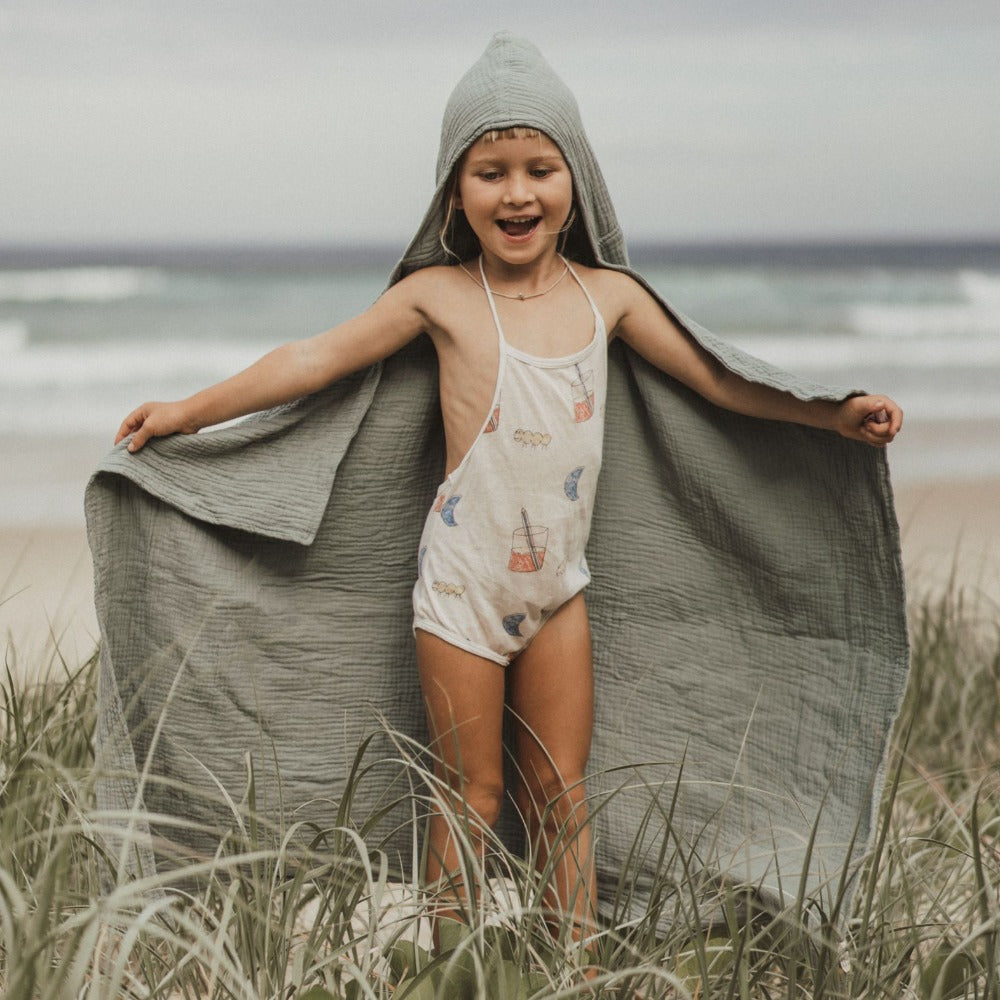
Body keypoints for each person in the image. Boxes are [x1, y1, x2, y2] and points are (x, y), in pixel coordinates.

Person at [91, 34, 908, 954]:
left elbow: (720, 381)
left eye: (539, 169)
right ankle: (453, 965)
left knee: (561, 792)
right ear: (455, 192)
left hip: (560, 586)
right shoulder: (437, 296)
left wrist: (830, 415)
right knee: (468, 791)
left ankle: (579, 968)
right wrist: (188, 412)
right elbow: (313, 358)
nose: (517, 192)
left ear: (575, 181)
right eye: (490, 172)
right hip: (460, 588)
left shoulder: (612, 298)